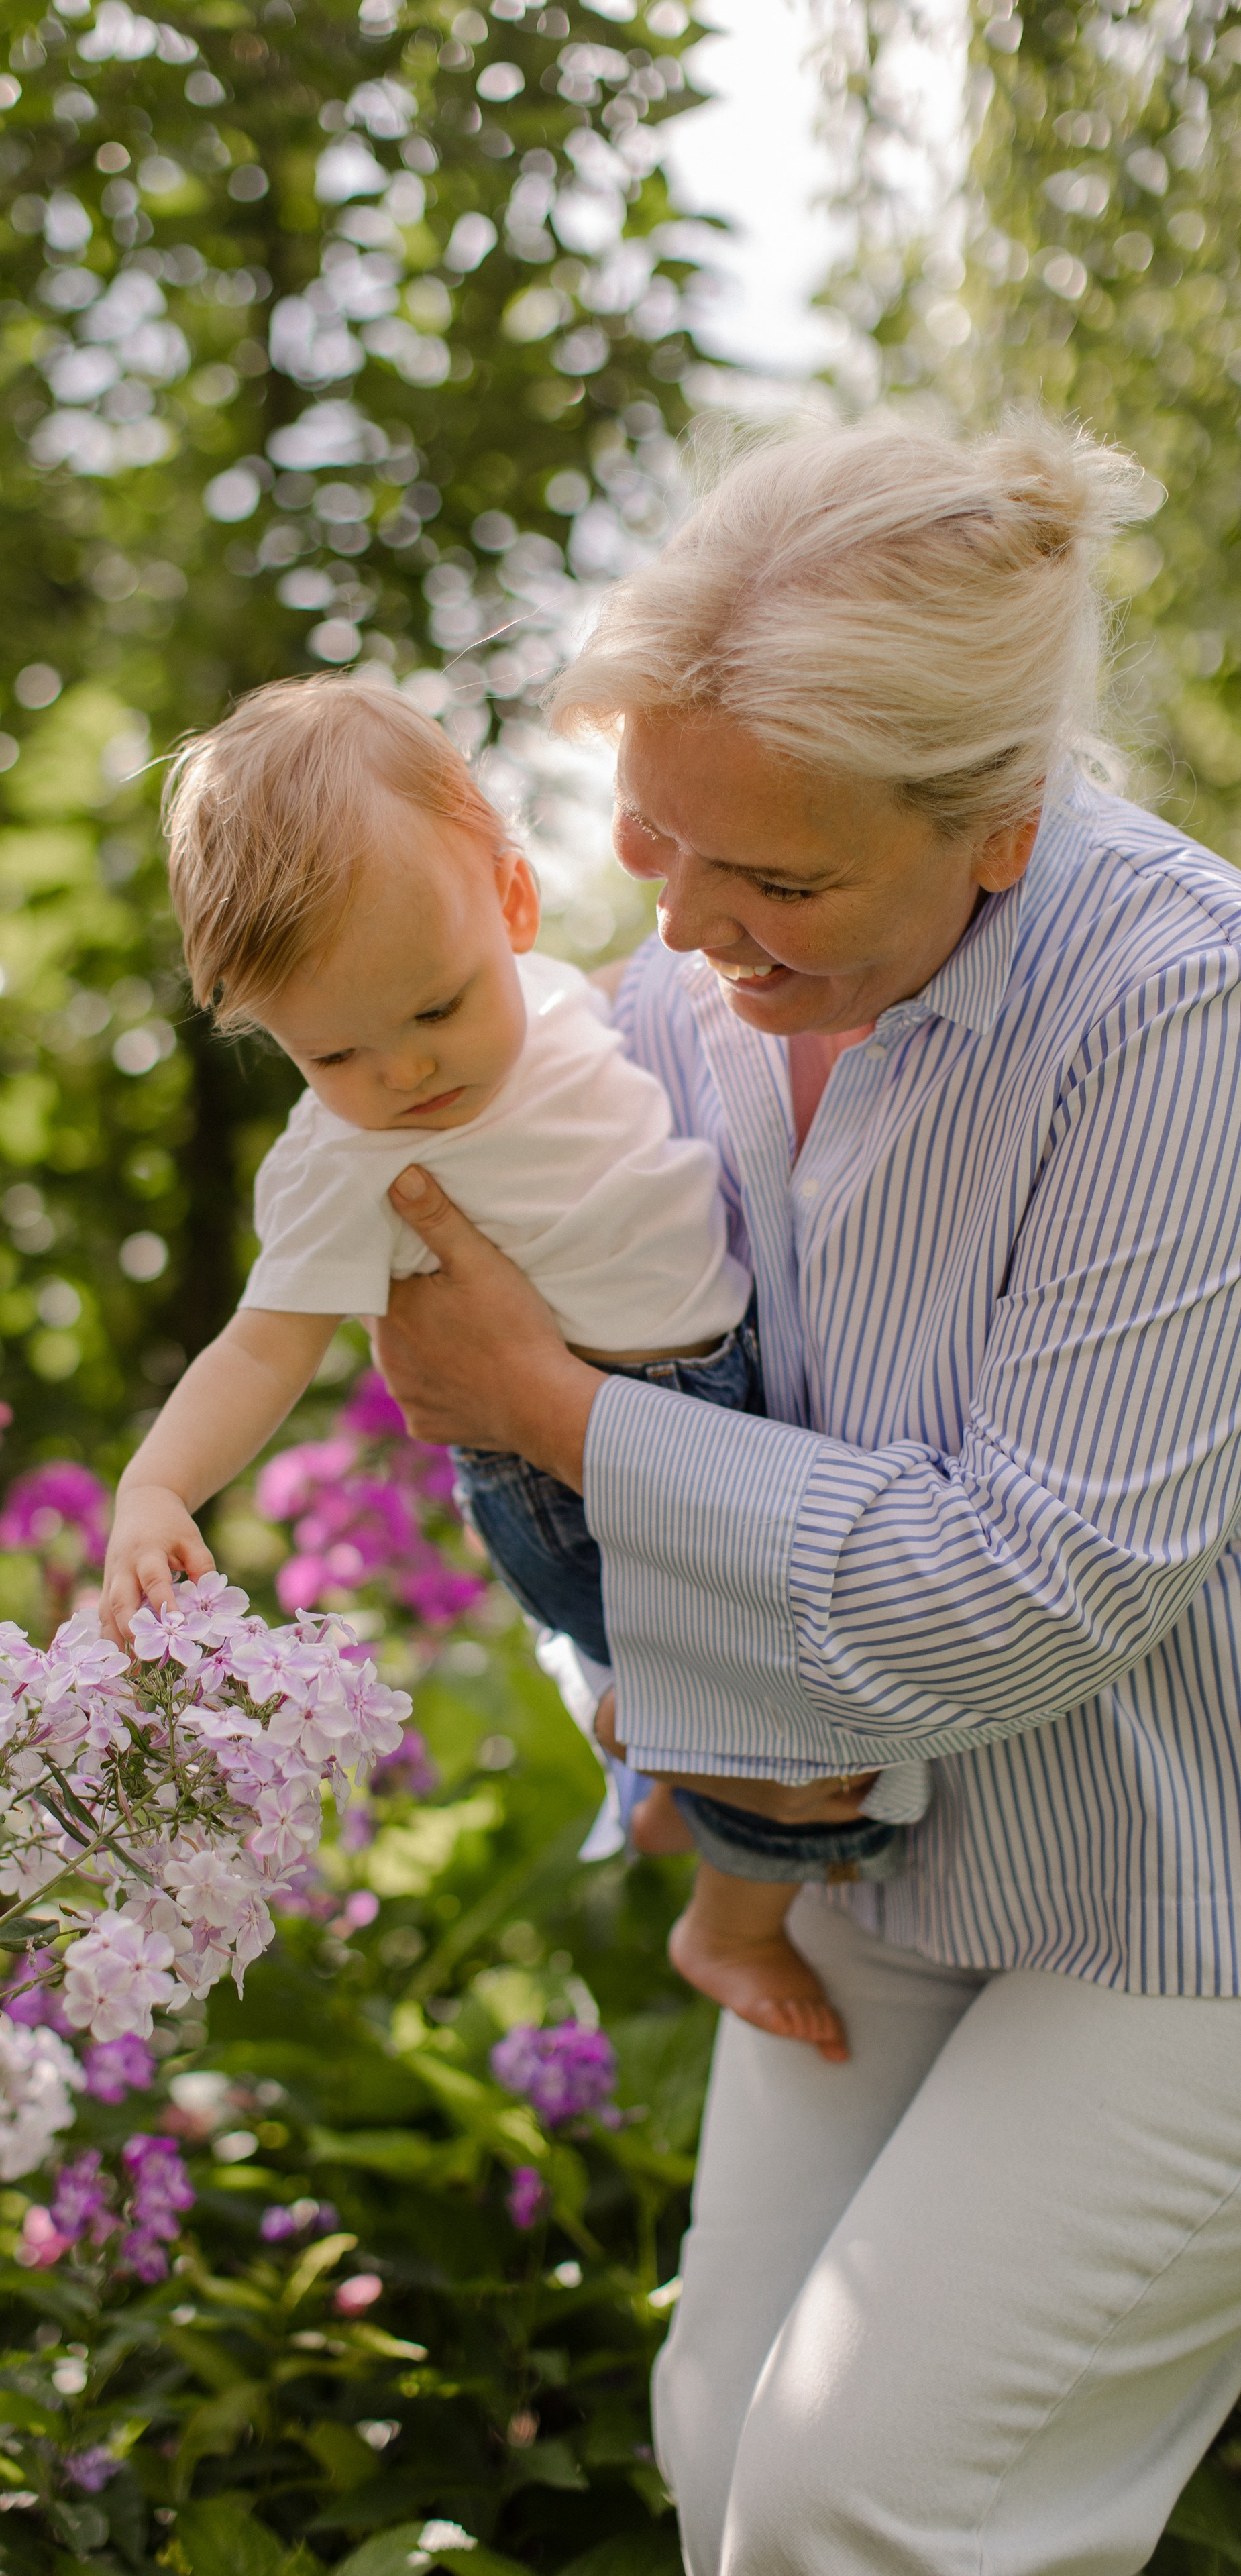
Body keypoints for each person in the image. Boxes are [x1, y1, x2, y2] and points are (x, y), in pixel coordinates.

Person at [365, 414, 1241, 2576]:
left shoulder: (1182, 1010)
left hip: (1187, 1896)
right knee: (724, 2425)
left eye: (782, 880)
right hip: (878, 1855)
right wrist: (629, 1695)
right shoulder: (680, 997)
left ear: (1002, 831)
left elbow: (1026, 1595)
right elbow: (631, 1437)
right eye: (660, 847)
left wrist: (556, 1415)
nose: (699, 937)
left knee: (873, 2500)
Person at [95, 674, 924, 2055]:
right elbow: (262, 1344)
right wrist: (153, 1486)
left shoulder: (552, 999)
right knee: (782, 1720)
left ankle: (657, 1781)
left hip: (703, 1397)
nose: (406, 1073)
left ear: (513, 907)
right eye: (335, 1051)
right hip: (568, 1475)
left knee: (766, 1673)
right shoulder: (339, 1161)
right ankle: (726, 1922)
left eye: (433, 1008)